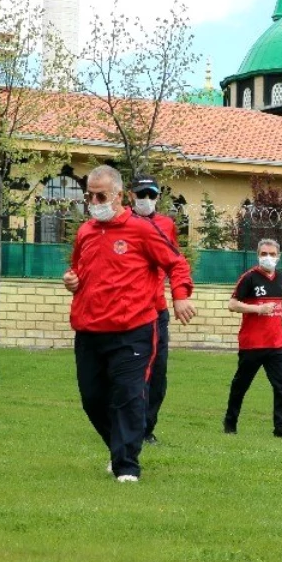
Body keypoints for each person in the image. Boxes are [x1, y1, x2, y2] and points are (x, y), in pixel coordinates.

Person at [62, 165, 196, 483]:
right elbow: (78, 270)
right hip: (90, 329)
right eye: (89, 196)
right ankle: (119, 448)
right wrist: (72, 281)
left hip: (133, 329)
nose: (94, 201)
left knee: (128, 395)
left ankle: (126, 466)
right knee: (92, 399)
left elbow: (176, 262)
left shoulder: (143, 230)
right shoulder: (86, 232)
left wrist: (180, 296)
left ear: (119, 196)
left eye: (101, 195)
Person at [223, 238, 282, 439]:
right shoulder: (249, 278)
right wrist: (258, 309)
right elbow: (232, 304)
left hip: (276, 343)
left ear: (279, 257)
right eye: (264, 254)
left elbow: (278, 303)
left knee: (281, 386)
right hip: (252, 344)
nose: (268, 258)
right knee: (241, 385)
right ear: (258, 256)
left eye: (272, 254)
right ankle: (230, 423)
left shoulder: (281, 278)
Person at [129, 174, 177, 445]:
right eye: (141, 194)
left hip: (158, 310)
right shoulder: (123, 223)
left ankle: (147, 427)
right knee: (134, 372)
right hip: (131, 311)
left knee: (158, 372)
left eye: (151, 195)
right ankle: (130, 423)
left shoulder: (166, 225)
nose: (146, 200)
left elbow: (173, 261)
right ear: (130, 195)